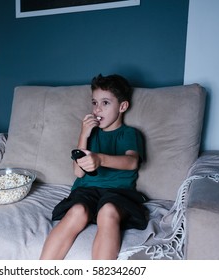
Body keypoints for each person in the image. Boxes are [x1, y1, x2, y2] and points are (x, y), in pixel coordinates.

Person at [40, 74, 148, 260]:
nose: (97, 109)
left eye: (105, 103)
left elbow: (131, 162)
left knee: (108, 212)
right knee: (77, 211)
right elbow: (77, 171)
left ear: (122, 107)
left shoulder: (129, 134)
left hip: (118, 192)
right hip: (87, 190)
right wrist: (83, 134)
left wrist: (100, 159)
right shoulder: (91, 134)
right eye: (94, 103)